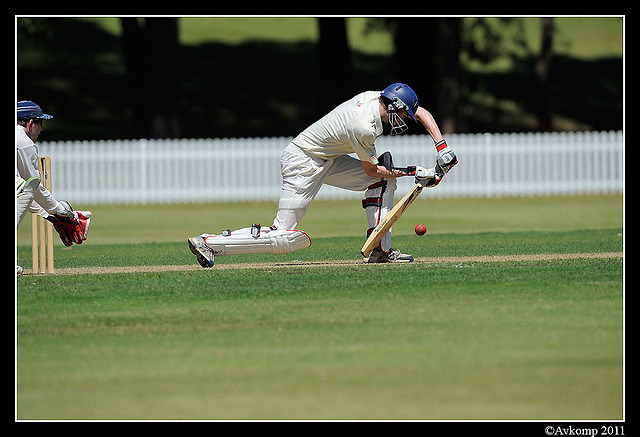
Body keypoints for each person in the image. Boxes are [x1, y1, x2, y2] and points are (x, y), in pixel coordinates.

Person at [188, 83, 457, 267]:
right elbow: (371, 169)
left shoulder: (379, 97)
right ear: (394, 107)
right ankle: (209, 242)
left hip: (326, 158)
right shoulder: (364, 126)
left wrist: (441, 147)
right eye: (404, 116)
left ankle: (380, 251)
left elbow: (420, 111)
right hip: (304, 161)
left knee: (384, 180)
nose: (406, 120)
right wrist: (413, 172)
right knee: (284, 235)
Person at [16, 100, 91, 275]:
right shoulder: (24, 142)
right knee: (24, 188)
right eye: (39, 123)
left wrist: (48, 214)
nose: (41, 129)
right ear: (30, 123)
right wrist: (57, 210)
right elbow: (32, 185)